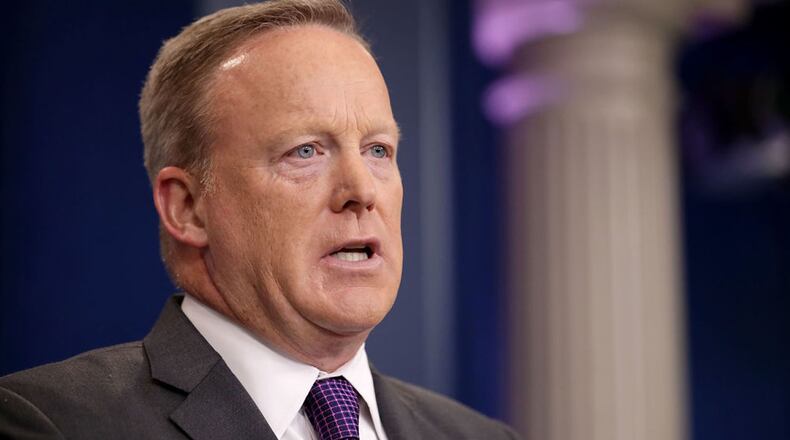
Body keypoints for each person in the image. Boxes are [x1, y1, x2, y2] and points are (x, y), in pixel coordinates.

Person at [0, 1, 521, 439]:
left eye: (378, 150)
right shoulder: (53, 422)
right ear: (186, 207)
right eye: (306, 152)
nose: (361, 191)